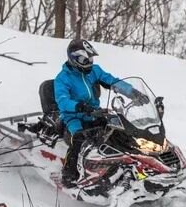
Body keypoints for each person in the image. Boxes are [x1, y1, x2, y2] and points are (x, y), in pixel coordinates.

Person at [54, 39, 149, 186]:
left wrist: (133, 92)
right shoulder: (62, 78)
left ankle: (134, 164)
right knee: (80, 140)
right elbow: (62, 101)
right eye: (85, 59)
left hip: (94, 113)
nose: (89, 62)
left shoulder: (94, 71)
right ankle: (69, 176)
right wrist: (80, 107)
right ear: (74, 59)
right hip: (73, 117)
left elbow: (112, 81)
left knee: (120, 129)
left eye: (90, 58)